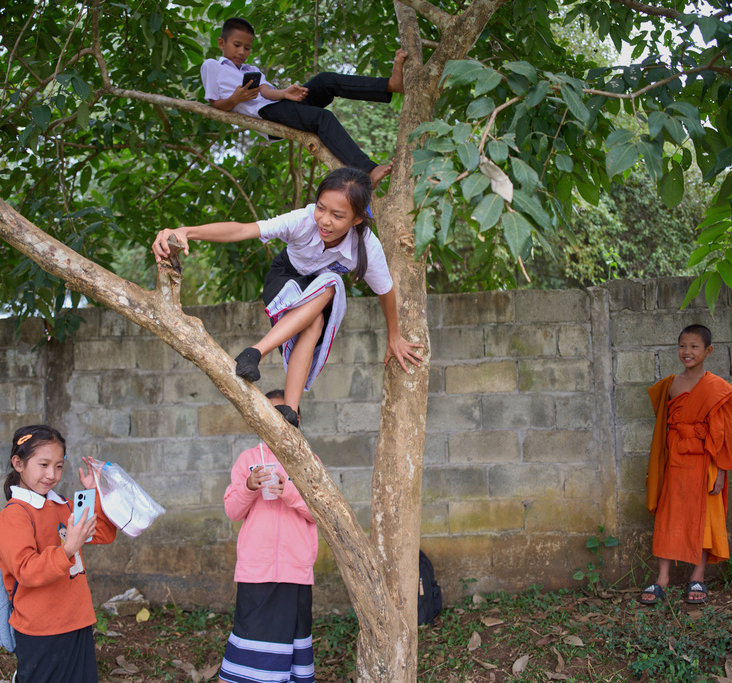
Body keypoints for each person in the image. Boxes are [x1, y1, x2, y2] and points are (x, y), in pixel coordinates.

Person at [151, 167, 423, 427]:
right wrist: (187, 231)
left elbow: (385, 291)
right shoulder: (303, 220)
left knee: (320, 312)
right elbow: (244, 229)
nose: (325, 220)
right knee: (330, 283)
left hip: (317, 294)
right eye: (321, 208)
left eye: (338, 216)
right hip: (285, 280)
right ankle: (255, 352)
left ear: (357, 219)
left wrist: (394, 336)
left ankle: (290, 411)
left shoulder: (366, 246)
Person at [200, 17, 407, 188]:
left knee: (326, 80)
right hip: (266, 114)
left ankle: (390, 85)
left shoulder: (249, 69)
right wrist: (235, 99)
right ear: (221, 43)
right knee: (322, 118)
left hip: (280, 104)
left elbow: (266, 91)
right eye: (237, 45)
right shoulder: (212, 66)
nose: (242, 52)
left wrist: (285, 93)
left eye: (247, 48)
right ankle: (368, 171)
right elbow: (215, 105)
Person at [0, 425, 118, 683]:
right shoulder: (14, 515)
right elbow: (26, 570)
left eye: (59, 466)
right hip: (40, 628)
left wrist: (92, 495)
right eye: (43, 464)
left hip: (76, 619)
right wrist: (68, 549)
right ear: (18, 463)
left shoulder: (60, 505)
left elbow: (104, 533)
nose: (52, 474)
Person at [218, 391, 316, 683]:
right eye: (270, 413)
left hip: (294, 572)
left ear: (297, 419)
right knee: (247, 650)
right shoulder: (248, 459)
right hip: (255, 571)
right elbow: (232, 511)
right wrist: (249, 486)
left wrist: (288, 489)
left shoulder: (306, 460)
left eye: (285, 413)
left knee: (289, 652)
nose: (278, 420)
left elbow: (319, 512)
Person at [640, 324, 732, 606]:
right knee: (669, 515)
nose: (687, 352)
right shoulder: (670, 385)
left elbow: (724, 432)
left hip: (704, 462)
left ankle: (698, 576)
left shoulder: (717, 388)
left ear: (708, 351)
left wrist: (720, 470)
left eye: (694, 346)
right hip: (675, 460)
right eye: (683, 345)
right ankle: (663, 579)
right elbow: (664, 426)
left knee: (704, 518)